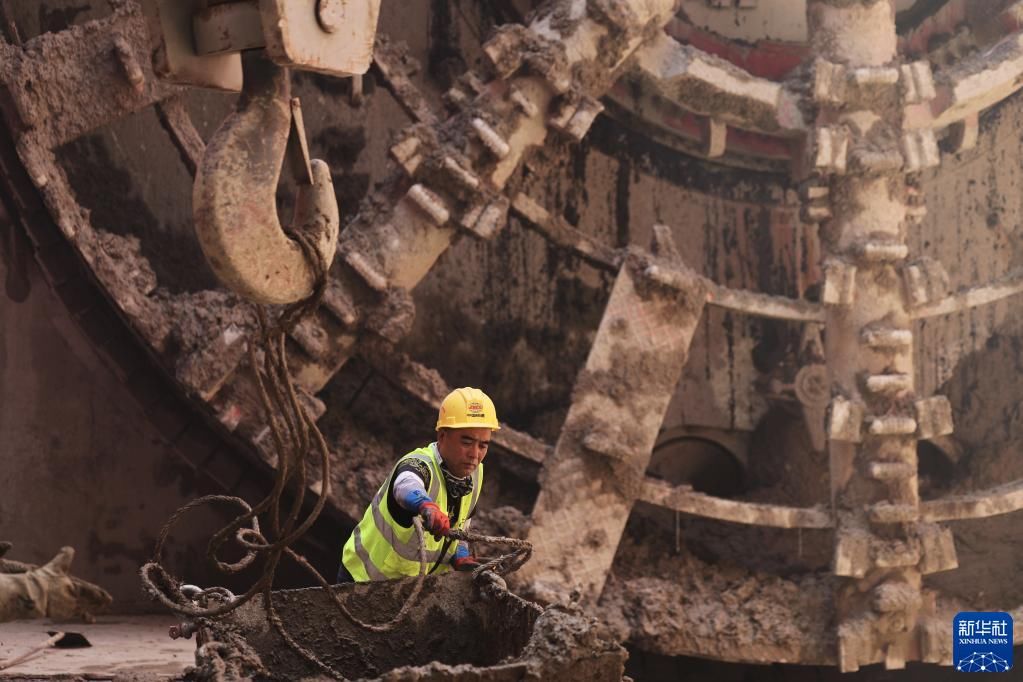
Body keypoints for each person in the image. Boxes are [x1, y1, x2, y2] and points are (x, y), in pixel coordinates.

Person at [338, 387, 499, 582]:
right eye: (466, 442)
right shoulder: (419, 464)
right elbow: (405, 484)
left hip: (409, 590)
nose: (475, 454)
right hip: (363, 580)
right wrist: (425, 505)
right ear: (442, 436)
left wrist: (460, 554)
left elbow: (462, 522)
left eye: (483, 445)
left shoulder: (475, 472)